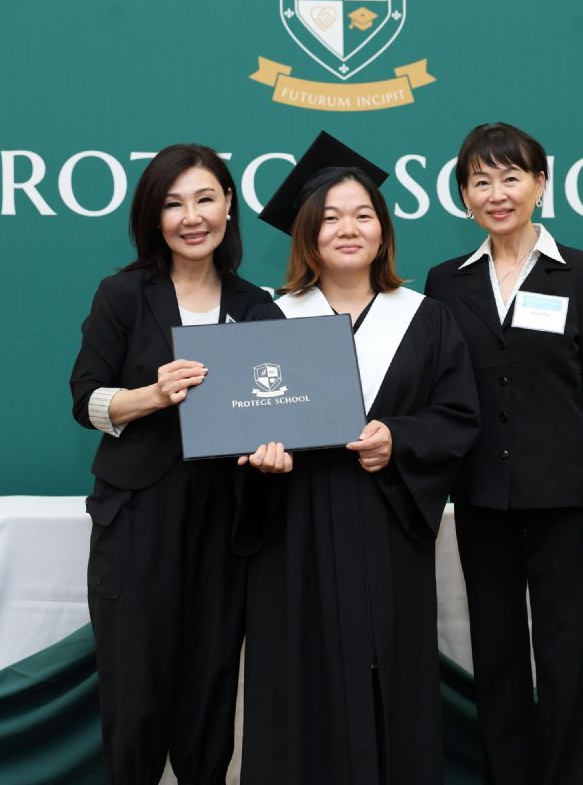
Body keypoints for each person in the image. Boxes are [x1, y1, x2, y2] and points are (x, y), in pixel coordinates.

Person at [236, 132, 481, 785]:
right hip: (295, 528)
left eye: (363, 215)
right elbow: (242, 427)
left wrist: (399, 438)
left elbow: (458, 417)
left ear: (384, 231)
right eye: (331, 218)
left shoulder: (426, 318)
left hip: (385, 522)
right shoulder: (269, 319)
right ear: (307, 235)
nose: (348, 229)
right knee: (298, 670)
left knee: (390, 671)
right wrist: (259, 460)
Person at [424, 122, 583, 785]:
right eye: (480, 181)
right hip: (481, 495)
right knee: (497, 652)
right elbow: (440, 391)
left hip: (565, 498)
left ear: (540, 183)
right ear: (464, 195)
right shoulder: (446, 283)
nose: (497, 193)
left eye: (511, 177)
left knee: (564, 655)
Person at [69, 144, 276, 784]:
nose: (192, 217)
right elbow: (85, 401)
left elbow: (278, 414)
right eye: (173, 203)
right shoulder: (123, 295)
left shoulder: (257, 306)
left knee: (210, 700)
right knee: (134, 700)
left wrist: (277, 451)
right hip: (137, 520)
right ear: (153, 217)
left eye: (205, 199)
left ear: (229, 206)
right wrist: (152, 396)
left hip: (225, 526)